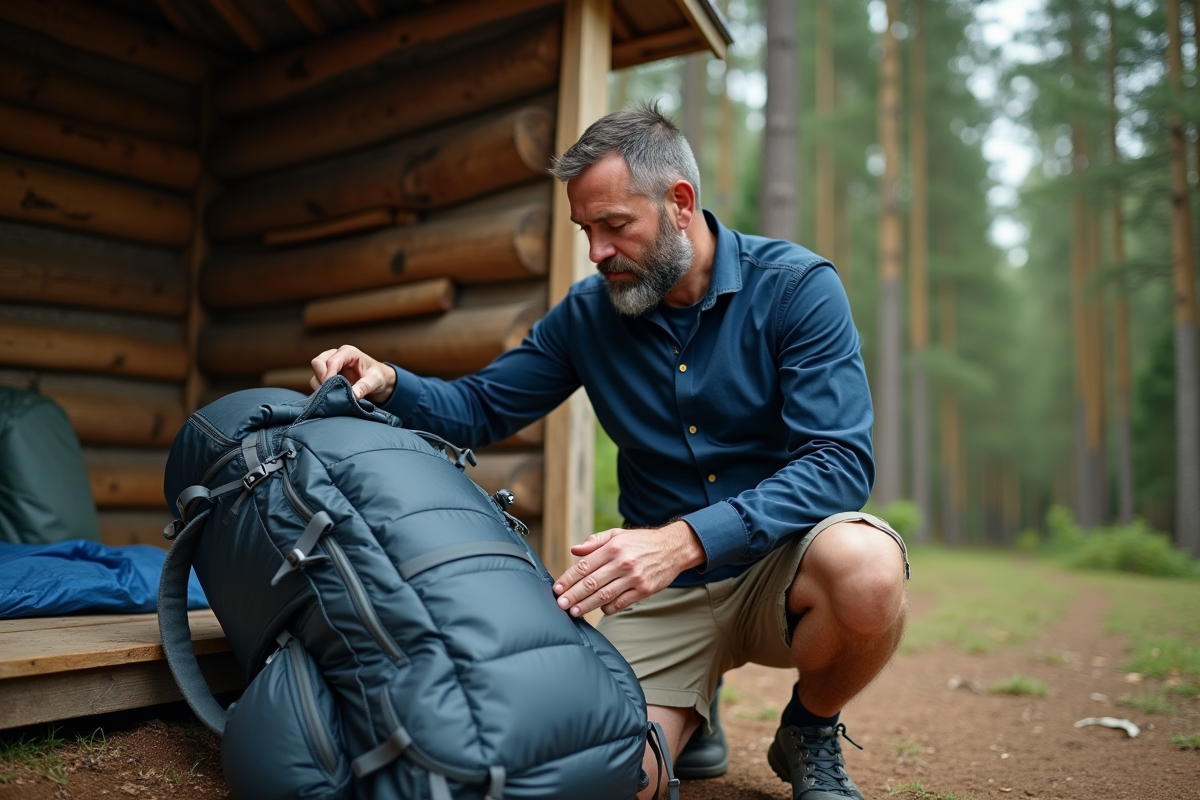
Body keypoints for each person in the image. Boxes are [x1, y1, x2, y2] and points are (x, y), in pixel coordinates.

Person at [310, 102, 909, 800]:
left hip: (779, 565)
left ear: (680, 203)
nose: (596, 252)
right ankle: (694, 708)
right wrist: (388, 381)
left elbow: (838, 463)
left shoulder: (796, 289)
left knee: (867, 566)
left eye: (614, 226)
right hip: (658, 595)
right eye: (585, 230)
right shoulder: (587, 314)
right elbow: (481, 408)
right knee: (616, 782)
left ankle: (809, 728)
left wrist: (684, 541)